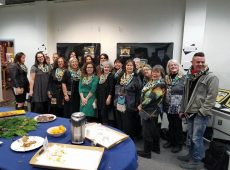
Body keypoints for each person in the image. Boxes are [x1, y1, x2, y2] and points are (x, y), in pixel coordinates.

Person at [178, 52, 219, 170]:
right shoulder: (189, 76)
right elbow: (185, 95)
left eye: (202, 62)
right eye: (198, 62)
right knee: (190, 136)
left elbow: (212, 98)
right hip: (189, 112)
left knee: (197, 138)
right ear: (192, 62)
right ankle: (190, 156)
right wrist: (182, 109)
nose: (200, 64)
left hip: (200, 114)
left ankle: (196, 161)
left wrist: (202, 112)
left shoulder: (211, 77)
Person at [137, 65, 166, 158]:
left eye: (157, 72)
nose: (154, 73)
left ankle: (147, 152)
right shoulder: (152, 82)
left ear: (161, 73)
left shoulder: (161, 84)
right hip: (148, 109)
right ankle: (155, 148)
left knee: (147, 132)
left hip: (151, 111)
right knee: (153, 131)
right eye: (153, 71)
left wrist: (142, 105)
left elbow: (152, 97)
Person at [114, 59, 142, 139]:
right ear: (125, 66)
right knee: (120, 122)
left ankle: (127, 140)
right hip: (119, 102)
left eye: (131, 65)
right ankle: (120, 138)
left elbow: (139, 92)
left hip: (130, 104)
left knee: (128, 124)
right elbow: (116, 88)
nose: (129, 67)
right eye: (128, 65)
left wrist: (137, 105)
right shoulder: (121, 76)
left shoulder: (136, 78)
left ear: (134, 67)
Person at [163, 59, 185, 153]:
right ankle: (171, 141)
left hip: (178, 105)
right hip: (168, 104)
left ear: (178, 66)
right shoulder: (167, 77)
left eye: (175, 65)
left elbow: (186, 92)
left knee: (177, 125)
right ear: (168, 68)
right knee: (171, 124)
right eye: (171, 65)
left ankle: (178, 144)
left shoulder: (183, 77)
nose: (173, 66)